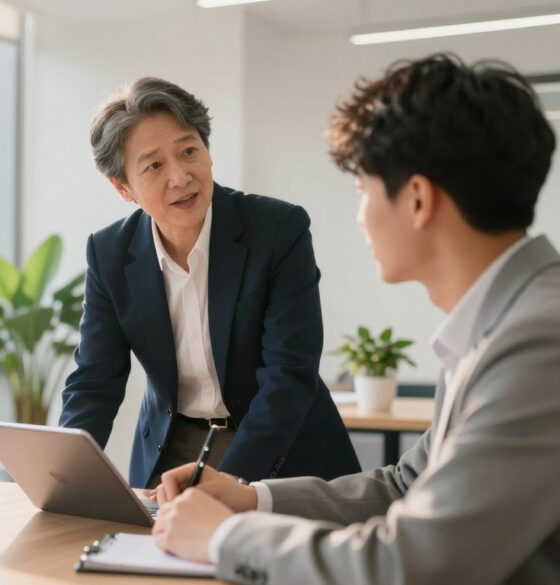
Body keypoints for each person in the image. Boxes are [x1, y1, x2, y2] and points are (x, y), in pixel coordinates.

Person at [152, 54, 560, 585]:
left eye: (363, 190)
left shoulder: (537, 341)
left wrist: (223, 538)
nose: (360, 215)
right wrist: (253, 499)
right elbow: (405, 485)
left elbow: (412, 563)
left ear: (417, 199)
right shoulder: (502, 322)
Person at [58, 77, 359, 488]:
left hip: (280, 449)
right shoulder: (110, 253)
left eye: (188, 151)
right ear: (122, 187)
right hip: (172, 449)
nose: (180, 177)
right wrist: (61, 476)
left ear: (208, 152)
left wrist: (224, 485)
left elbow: (288, 376)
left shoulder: (276, 230)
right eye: (154, 166)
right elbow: (96, 380)